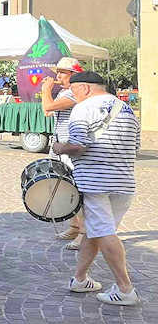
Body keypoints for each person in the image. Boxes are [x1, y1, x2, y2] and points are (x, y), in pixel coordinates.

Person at [52, 71, 140, 306]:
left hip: (95, 181)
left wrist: (60, 147)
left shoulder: (83, 108)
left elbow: (78, 145)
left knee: (103, 232)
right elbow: (137, 146)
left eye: (73, 89)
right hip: (124, 182)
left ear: (85, 88)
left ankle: (125, 289)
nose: (71, 94)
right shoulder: (127, 109)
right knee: (96, 231)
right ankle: (80, 279)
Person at [41, 57, 85, 249]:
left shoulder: (76, 93)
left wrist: (45, 90)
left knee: (77, 189)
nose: (57, 76)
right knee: (67, 188)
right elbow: (47, 112)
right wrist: (48, 93)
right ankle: (74, 226)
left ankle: (84, 234)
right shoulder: (64, 93)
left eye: (62, 72)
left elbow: (47, 106)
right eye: (57, 72)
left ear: (74, 75)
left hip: (71, 146)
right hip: (60, 145)